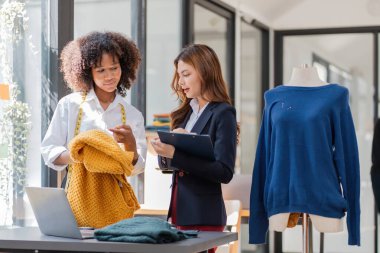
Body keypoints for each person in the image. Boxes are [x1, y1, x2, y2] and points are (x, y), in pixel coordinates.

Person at [40, 32, 147, 226]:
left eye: (114, 68)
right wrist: (82, 155)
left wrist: (131, 145)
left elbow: (137, 168)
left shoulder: (132, 115)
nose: (109, 76)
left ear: (123, 67)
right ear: (88, 72)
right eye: (101, 70)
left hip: (115, 198)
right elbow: (49, 150)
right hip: (76, 193)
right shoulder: (70, 105)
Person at [249, 65, 360, 246]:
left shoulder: (335, 96)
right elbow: (264, 156)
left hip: (323, 197)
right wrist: (257, 225)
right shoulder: (273, 97)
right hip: (280, 196)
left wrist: (354, 225)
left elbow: (348, 158)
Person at [151, 44, 238, 253]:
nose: (180, 82)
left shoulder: (223, 113)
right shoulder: (185, 114)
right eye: (179, 76)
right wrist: (163, 152)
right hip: (179, 212)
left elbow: (224, 172)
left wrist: (175, 153)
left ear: (205, 71)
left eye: (186, 74)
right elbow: (171, 165)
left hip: (204, 215)